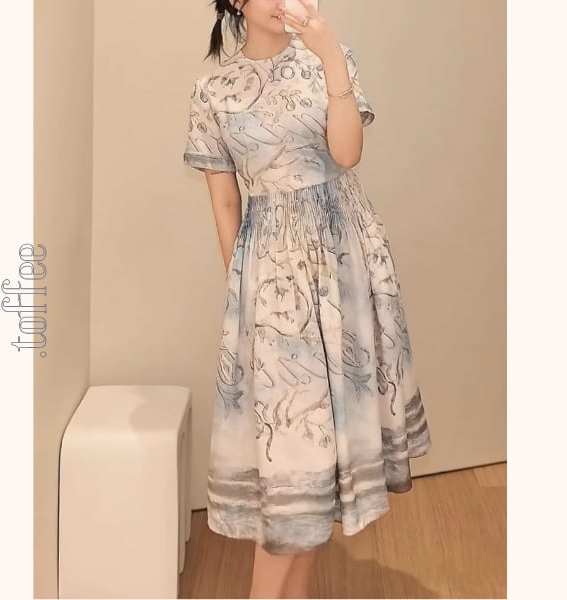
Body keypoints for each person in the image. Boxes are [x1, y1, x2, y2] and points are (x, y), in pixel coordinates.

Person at [182, 0, 432, 597]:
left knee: (320, 457)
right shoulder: (212, 91)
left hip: (345, 259)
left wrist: (332, 61)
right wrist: (243, 293)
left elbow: (346, 155)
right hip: (271, 278)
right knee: (292, 456)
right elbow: (224, 202)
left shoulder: (329, 59)